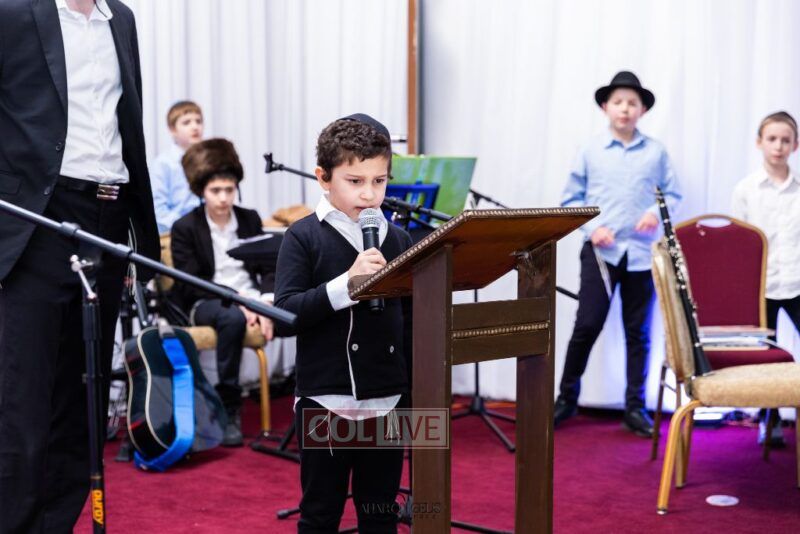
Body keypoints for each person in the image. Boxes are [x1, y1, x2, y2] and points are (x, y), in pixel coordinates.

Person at [0, 0, 159, 531]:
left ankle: (56, 523)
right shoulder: (13, 13)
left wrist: (139, 231)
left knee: (83, 393)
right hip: (36, 219)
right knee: (23, 395)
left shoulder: (123, 19)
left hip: (108, 217)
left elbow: (128, 125)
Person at [274, 114, 412, 533]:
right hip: (326, 402)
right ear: (323, 177)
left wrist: (412, 392)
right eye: (355, 181)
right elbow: (286, 314)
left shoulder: (399, 239)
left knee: (380, 513)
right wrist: (346, 286)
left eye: (379, 181)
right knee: (320, 513)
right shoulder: (303, 236)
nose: (369, 194)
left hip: (387, 401)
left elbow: (409, 322)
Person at [554, 71, 682, 438]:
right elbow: (571, 200)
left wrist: (654, 213)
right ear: (605, 107)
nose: (625, 109)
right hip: (600, 252)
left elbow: (672, 194)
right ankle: (566, 399)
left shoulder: (656, 152)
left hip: (642, 253)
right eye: (618, 102)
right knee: (587, 325)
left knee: (638, 332)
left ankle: (635, 407)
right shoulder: (589, 150)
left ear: (642, 110)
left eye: (632, 103)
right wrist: (594, 228)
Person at [170, 138, 275, 446]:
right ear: (201, 191)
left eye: (229, 190)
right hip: (205, 300)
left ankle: (310, 399)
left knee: (300, 310)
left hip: (251, 297)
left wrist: (265, 301)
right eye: (216, 190)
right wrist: (241, 302)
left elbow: (269, 266)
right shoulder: (185, 227)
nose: (224, 197)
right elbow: (190, 282)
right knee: (232, 318)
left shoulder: (249, 218)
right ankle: (229, 405)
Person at [731, 110, 800, 446]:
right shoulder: (746, 189)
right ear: (759, 142)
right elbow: (739, 244)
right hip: (763, 288)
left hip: (797, 283)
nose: (778, 146)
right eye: (772, 139)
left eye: (786, 140)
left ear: (795, 145)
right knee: (766, 356)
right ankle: (768, 420)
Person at [150, 100, 204, 233]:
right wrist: (187, 227)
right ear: (172, 129)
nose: (195, 127)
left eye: (198, 121)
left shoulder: (207, 159)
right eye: (186, 122)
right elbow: (158, 211)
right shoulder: (163, 164)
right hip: (175, 232)